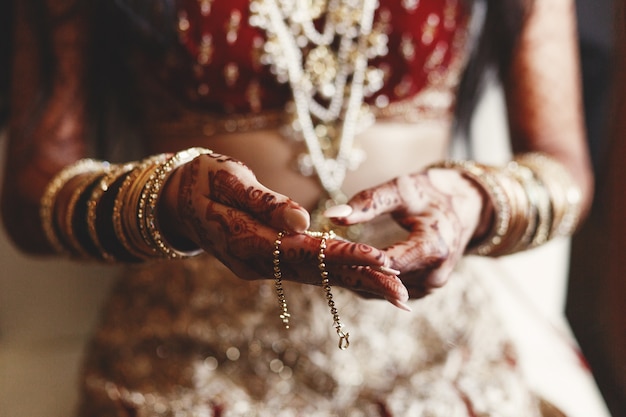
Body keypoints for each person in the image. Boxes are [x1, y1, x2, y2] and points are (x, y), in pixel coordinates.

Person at [0, 0, 607, 415]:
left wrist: (476, 202)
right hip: (186, 353)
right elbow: (34, 195)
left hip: (428, 351)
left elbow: (562, 166)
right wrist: (164, 203)